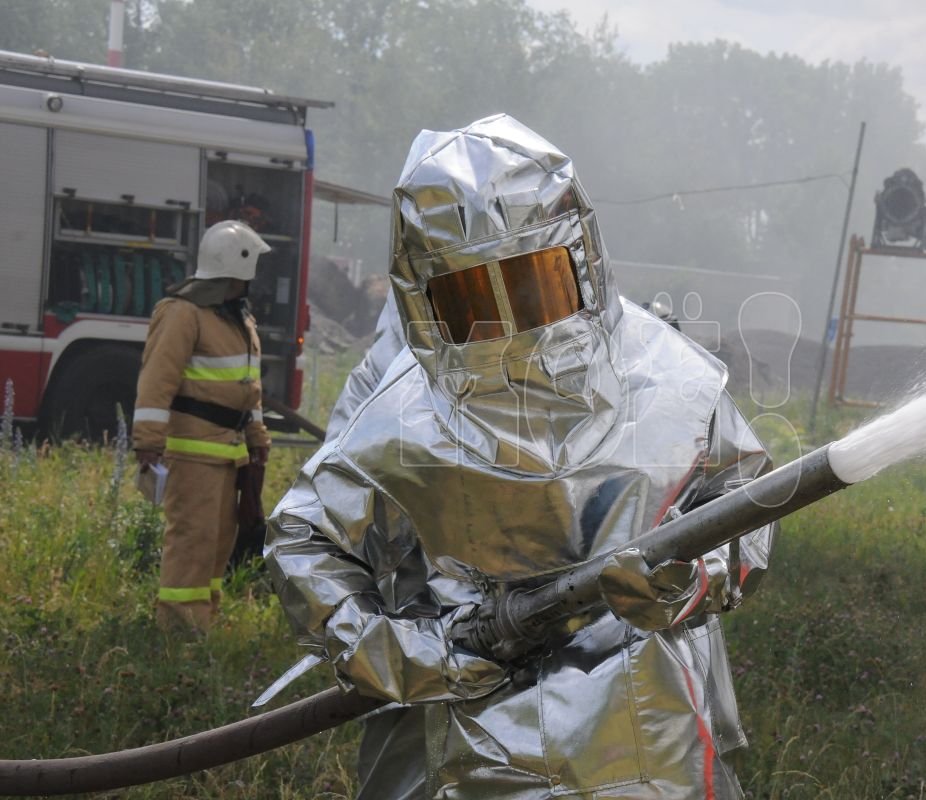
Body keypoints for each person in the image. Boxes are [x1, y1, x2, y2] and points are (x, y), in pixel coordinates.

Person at [265, 114, 775, 798]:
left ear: (580, 262)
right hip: (457, 760)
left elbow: (743, 502)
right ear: (425, 303)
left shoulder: (674, 382)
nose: (514, 329)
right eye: (474, 298)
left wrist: (694, 579)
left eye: (533, 282)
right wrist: (411, 656)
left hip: (647, 747)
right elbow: (303, 542)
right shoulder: (397, 423)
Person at [133, 220, 272, 631]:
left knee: (216, 546)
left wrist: (257, 439)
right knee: (192, 542)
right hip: (193, 452)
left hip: (229, 453)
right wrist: (148, 443)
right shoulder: (182, 313)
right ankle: (179, 630)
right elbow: (157, 381)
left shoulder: (238, 320)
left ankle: (202, 624)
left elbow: (250, 391)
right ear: (238, 267)